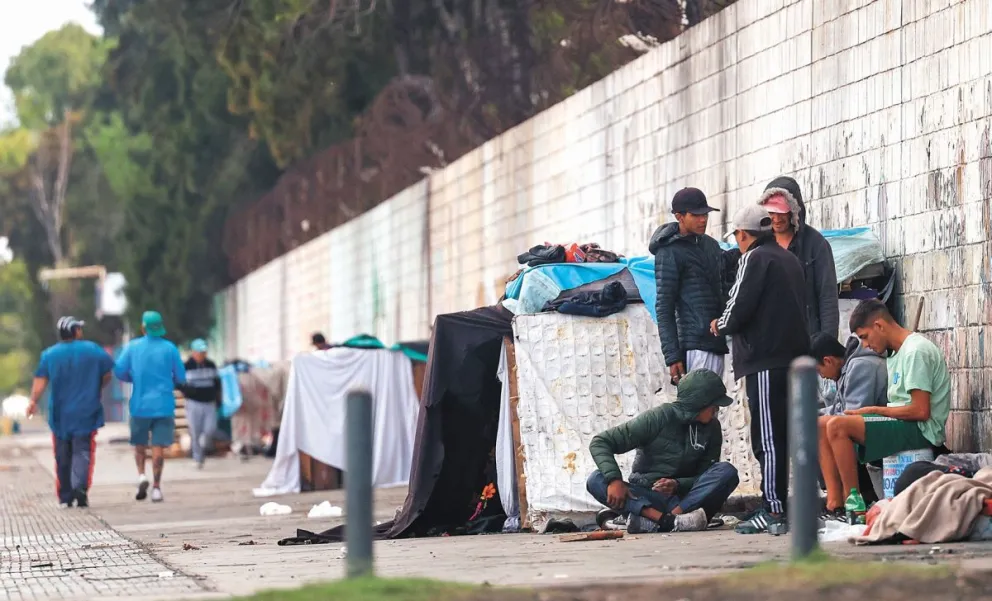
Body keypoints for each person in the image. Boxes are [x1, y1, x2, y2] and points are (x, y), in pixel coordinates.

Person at [710, 203, 808, 534]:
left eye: (737, 236)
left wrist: (719, 324)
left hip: (766, 359)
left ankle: (774, 509)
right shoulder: (787, 257)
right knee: (785, 435)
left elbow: (738, 305)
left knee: (767, 438)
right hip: (792, 359)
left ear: (743, 234)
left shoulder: (754, 258)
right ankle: (789, 505)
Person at [818, 299, 951, 516]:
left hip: (922, 430)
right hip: (902, 424)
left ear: (879, 326)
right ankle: (834, 504)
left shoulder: (915, 351)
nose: (865, 345)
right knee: (821, 423)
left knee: (837, 426)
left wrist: (875, 410)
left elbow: (920, 411)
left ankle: (854, 506)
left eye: (864, 337)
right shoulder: (895, 353)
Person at [586, 369, 740, 534]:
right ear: (699, 403)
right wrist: (614, 480)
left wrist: (678, 484)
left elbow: (705, 475)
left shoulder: (713, 428)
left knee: (726, 472)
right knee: (596, 479)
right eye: (714, 405)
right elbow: (601, 442)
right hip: (647, 497)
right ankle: (665, 521)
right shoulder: (658, 418)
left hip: (685, 501)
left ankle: (664, 520)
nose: (716, 410)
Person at [27, 317, 115, 508]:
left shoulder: (49, 355)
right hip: (86, 411)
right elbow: (107, 373)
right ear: (75, 331)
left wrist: (33, 401)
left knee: (62, 455)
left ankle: (65, 496)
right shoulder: (93, 350)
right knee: (83, 451)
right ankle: (80, 487)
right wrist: (96, 387)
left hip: (60, 415)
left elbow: (41, 379)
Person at [649, 187, 729, 383]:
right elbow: (664, 306)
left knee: (710, 408)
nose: (703, 220)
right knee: (698, 409)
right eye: (696, 215)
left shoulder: (710, 245)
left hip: (717, 341)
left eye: (705, 214)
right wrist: (672, 356)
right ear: (679, 217)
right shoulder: (668, 252)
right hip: (694, 344)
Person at [114, 311, 186, 503]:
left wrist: (133, 378)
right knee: (158, 447)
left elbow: (119, 371)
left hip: (139, 405)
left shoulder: (132, 347)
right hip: (163, 405)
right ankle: (156, 488)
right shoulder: (170, 348)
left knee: (139, 445)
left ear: (143, 327)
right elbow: (181, 377)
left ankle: (141, 476)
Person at [758, 176, 839, 338]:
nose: (777, 218)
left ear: (794, 211)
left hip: (807, 336)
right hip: (770, 341)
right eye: (771, 212)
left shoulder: (816, 244)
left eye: (782, 212)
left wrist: (826, 343)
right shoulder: (760, 245)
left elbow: (827, 297)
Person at [811, 332, 888, 416]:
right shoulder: (845, 369)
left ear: (828, 361)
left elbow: (853, 415)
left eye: (819, 370)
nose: (822, 376)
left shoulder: (860, 366)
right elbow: (843, 407)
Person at [181, 338, 221, 469]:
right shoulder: (186, 366)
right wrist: (187, 391)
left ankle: (204, 446)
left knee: (210, 429)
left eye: (204, 352)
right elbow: (179, 383)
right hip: (194, 403)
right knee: (195, 431)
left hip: (209, 403)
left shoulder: (211, 365)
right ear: (193, 352)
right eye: (200, 352)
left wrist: (218, 398)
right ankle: (198, 457)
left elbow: (217, 383)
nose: (202, 354)